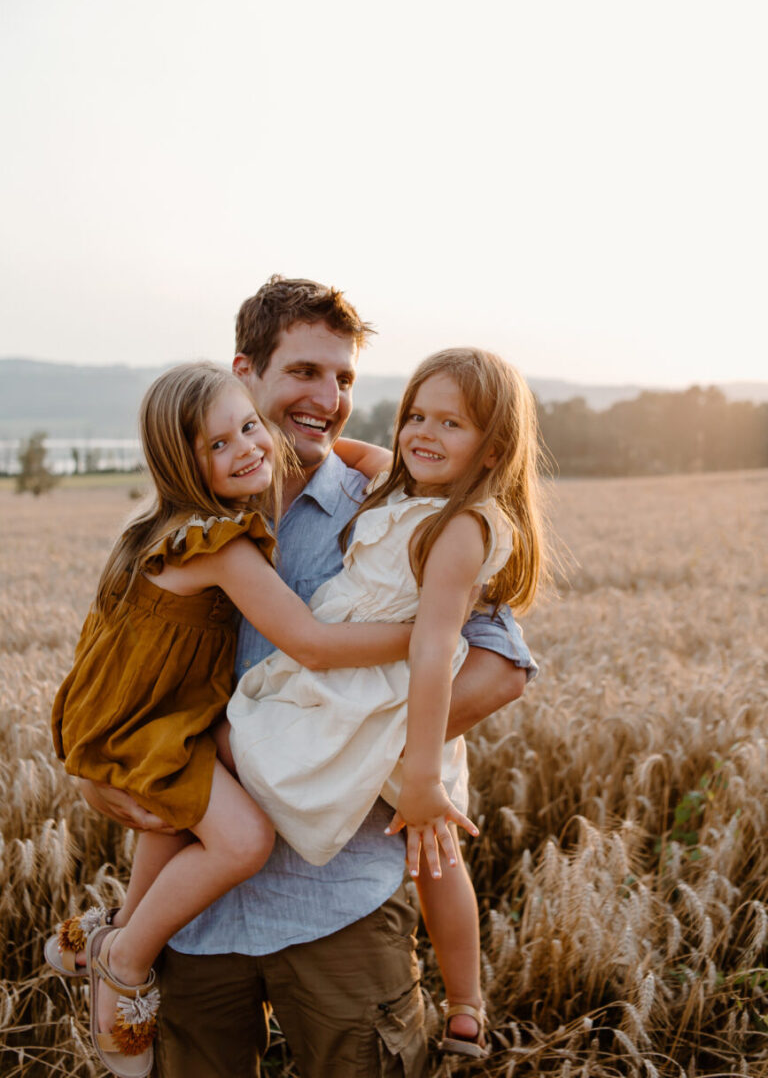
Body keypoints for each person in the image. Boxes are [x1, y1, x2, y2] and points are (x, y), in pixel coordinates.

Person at [79, 276, 538, 1078]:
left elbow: (499, 666)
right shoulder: (180, 525)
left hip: (340, 904)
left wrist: (347, 753)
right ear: (245, 371)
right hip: (197, 918)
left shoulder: (394, 506)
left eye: (345, 378)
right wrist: (101, 775)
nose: (328, 399)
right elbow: (122, 675)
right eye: (304, 372)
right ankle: (119, 944)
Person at [48, 361, 416, 1078]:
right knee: (243, 839)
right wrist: (425, 635)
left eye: (249, 427)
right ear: (179, 465)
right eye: (218, 445)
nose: (247, 448)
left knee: (174, 821)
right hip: (151, 725)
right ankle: (124, 960)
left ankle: (111, 929)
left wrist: (368, 455)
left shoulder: (157, 528)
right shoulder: (219, 544)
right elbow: (311, 643)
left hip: (143, 715)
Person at [228, 346, 546, 1059]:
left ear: (495, 449)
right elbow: (346, 449)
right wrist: (263, 432)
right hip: (371, 688)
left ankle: (465, 1002)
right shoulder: (400, 486)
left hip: (384, 694)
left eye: (452, 424)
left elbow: (433, 649)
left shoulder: (461, 527)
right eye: (416, 416)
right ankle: (465, 1006)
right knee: (434, 853)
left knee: (431, 841)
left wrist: (425, 775)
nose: (424, 434)